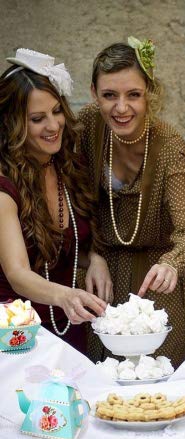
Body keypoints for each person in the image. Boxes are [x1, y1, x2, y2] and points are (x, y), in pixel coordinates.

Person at [78, 38, 185, 367]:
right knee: (97, 383)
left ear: (149, 92)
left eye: (133, 95)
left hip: (156, 290)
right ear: (94, 93)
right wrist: (93, 255)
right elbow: (72, 200)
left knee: (155, 384)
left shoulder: (169, 145)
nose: (121, 108)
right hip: (99, 285)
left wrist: (172, 264)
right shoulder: (87, 127)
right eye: (110, 95)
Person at [0, 49, 109, 353]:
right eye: (38, 119)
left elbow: (70, 242)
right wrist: (66, 295)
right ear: (11, 124)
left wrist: (95, 258)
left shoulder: (67, 165)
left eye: (57, 111)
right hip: (15, 334)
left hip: (68, 325)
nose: (53, 125)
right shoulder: (4, 188)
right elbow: (18, 273)